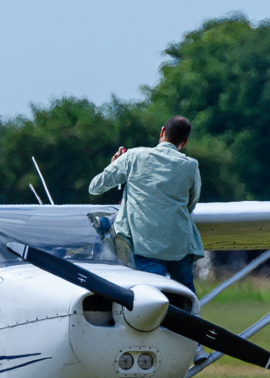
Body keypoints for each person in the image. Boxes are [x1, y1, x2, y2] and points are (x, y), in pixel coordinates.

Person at [87, 116, 204, 289]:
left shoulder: (134, 156)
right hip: (179, 246)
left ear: (162, 131)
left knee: (153, 296)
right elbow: (191, 204)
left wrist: (115, 165)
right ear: (184, 142)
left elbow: (94, 187)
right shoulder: (191, 165)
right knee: (186, 297)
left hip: (145, 246)